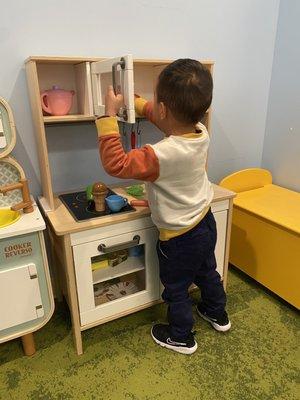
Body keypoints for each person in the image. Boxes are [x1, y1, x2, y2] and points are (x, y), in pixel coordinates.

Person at [95, 59, 231, 355]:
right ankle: (217, 313)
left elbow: (115, 164)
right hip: (205, 222)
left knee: (176, 288)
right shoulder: (199, 132)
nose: (153, 107)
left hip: (179, 237)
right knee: (208, 271)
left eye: (156, 102)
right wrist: (138, 103)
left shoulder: (160, 154)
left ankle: (181, 336)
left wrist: (108, 115)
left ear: (165, 108)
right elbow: (167, 121)